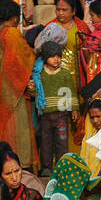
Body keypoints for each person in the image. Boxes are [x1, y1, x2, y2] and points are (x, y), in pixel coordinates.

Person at [0, 1, 37, 171]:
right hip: (13, 89)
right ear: (16, 18)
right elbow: (23, 59)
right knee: (17, 128)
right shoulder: (11, 33)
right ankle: (18, 164)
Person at [34, 41, 76, 172]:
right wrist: (31, 89)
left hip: (61, 115)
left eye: (58, 56)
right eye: (52, 56)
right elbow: (36, 92)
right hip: (45, 115)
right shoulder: (39, 75)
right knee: (46, 142)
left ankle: (62, 167)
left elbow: (72, 92)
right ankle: (46, 167)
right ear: (45, 57)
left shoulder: (65, 74)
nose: (56, 59)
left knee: (62, 142)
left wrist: (74, 109)